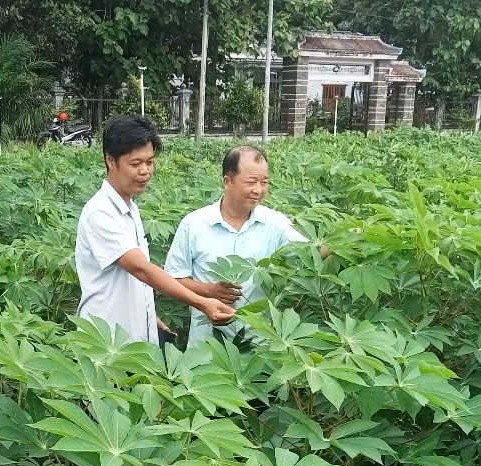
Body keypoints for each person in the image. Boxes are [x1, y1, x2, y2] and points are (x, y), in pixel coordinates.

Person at [75, 116, 235, 345]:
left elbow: (132, 280)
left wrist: (149, 315)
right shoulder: (100, 212)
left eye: (149, 162)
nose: (145, 171)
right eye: (135, 164)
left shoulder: (130, 208)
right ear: (111, 161)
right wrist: (201, 302)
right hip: (106, 341)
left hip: (133, 338)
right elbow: (142, 269)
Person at [165, 146, 311, 347]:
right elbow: (172, 279)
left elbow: (310, 253)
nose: (258, 190)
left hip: (261, 346)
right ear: (228, 182)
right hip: (206, 348)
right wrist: (208, 290)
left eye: (264, 182)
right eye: (251, 182)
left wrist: (344, 240)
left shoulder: (276, 223)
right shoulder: (194, 224)